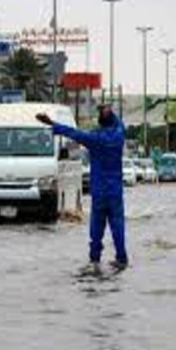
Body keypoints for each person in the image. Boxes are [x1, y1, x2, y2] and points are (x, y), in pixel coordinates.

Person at [36, 104, 128, 274]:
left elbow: (72, 132)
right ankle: (121, 259)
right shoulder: (119, 135)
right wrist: (109, 112)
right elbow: (119, 123)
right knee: (118, 226)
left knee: (96, 228)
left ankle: (94, 260)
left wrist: (51, 123)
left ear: (100, 122)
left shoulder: (94, 138)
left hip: (99, 191)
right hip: (115, 191)